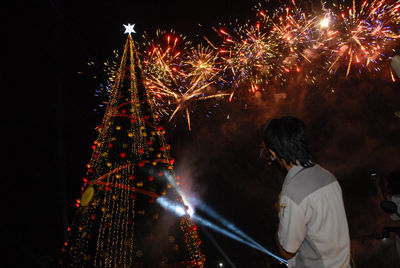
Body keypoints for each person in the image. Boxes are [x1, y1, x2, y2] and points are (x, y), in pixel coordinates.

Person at [262, 116, 351, 267]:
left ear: (273, 153)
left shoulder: (292, 192)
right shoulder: (328, 176)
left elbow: (287, 250)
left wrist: (280, 214)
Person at [373, 170, 400, 261]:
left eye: (388, 181)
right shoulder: (396, 198)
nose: (386, 183)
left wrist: (383, 225)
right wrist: (377, 186)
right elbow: (386, 205)